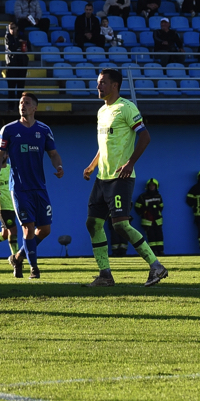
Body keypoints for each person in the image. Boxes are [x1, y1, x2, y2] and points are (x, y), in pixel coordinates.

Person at [82, 69, 169, 287]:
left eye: (102, 83)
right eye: (97, 83)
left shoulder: (126, 108)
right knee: (93, 223)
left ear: (115, 85)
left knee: (120, 225)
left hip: (120, 178)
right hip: (102, 178)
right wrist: (92, 166)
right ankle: (105, 275)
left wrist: (130, 164)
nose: (98, 86)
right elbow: (104, 145)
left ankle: (156, 266)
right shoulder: (102, 111)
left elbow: (145, 137)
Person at [0, 92, 64, 280]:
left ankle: (18, 257)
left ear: (35, 107)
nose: (22, 105)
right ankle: (34, 268)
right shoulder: (9, 129)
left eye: (27, 103)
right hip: (20, 188)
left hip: (39, 187)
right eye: (21, 103)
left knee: (45, 230)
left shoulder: (44, 130)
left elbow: (53, 153)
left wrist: (59, 166)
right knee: (28, 229)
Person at [133, 178, 165, 256]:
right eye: (150, 185)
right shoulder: (143, 197)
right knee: (151, 237)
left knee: (159, 236)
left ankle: (160, 251)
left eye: (153, 185)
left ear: (156, 186)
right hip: (147, 221)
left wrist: (156, 214)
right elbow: (137, 207)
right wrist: (144, 214)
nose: (151, 187)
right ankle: (153, 252)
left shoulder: (159, 196)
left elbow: (161, 206)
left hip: (158, 221)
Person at [4, 22, 30, 94]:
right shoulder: (8, 37)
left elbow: (29, 47)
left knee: (21, 85)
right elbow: (11, 48)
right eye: (10, 28)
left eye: (13, 28)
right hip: (11, 63)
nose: (12, 30)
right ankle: (11, 104)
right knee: (11, 86)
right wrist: (19, 43)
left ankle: (19, 102)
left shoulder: (23, 36)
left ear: (17, 28)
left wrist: (26, 48)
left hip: (22, 62)